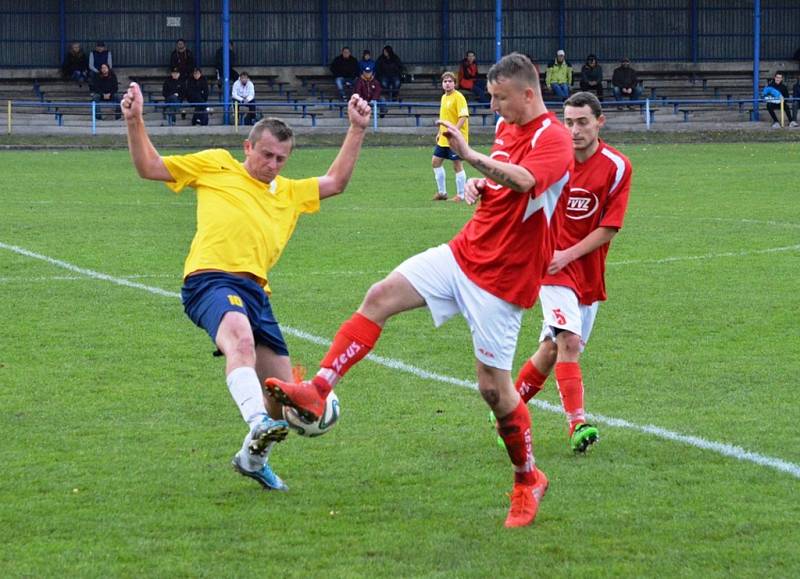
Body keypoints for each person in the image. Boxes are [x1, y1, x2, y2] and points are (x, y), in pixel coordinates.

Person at [264, 52, 573, 528]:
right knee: (380, 295)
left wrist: (470, 158)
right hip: (464, 253)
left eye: (499, 97)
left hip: (503, 281)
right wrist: (477, 187)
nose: (492, 106)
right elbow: (503, 181)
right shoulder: (510, 129)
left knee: (494, 389)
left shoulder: (555, 138)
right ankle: (319, 389)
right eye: (489, 96)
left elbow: (527, 181)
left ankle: (527, 478)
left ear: (529, 94)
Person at [119, 80, 372, 492]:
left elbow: (335, 182)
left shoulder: (289, 192)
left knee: (280, 391)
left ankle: (252, 458)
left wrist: (357, 130)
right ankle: (256, 424)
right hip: (210, 279)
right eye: (267, 154)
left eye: (281, 158)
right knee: (239, 342)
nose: (273, 164)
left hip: (258, 293)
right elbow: (150, 167)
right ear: (247, 147)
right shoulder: (216, 164)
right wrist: (134, 120)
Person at [502, 91, 632, 454]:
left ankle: (508, 416)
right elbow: (514, 186)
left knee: (549, 351)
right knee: (569, 343)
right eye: (568, 122)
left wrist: (569, 255)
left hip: (586, 269)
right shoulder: (552, 159)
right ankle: (577, 423)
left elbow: (610, 226)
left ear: (599, 123)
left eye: (582, 122)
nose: (574, 130)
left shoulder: (617, 166)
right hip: (549, 267)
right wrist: (479, 184)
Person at [431, 71, 469, 202]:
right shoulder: (443, 97)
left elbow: (463, 116)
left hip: (455, 138)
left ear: (454, 83)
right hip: (444, 137)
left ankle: (461, 195)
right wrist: (439, 132)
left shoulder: (459, 97)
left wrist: (454, 131)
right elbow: (444, 117)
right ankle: (442, 193)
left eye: (450, 81)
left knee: (457, 165)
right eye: (445, 81)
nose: (447, 84)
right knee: (435, 162)